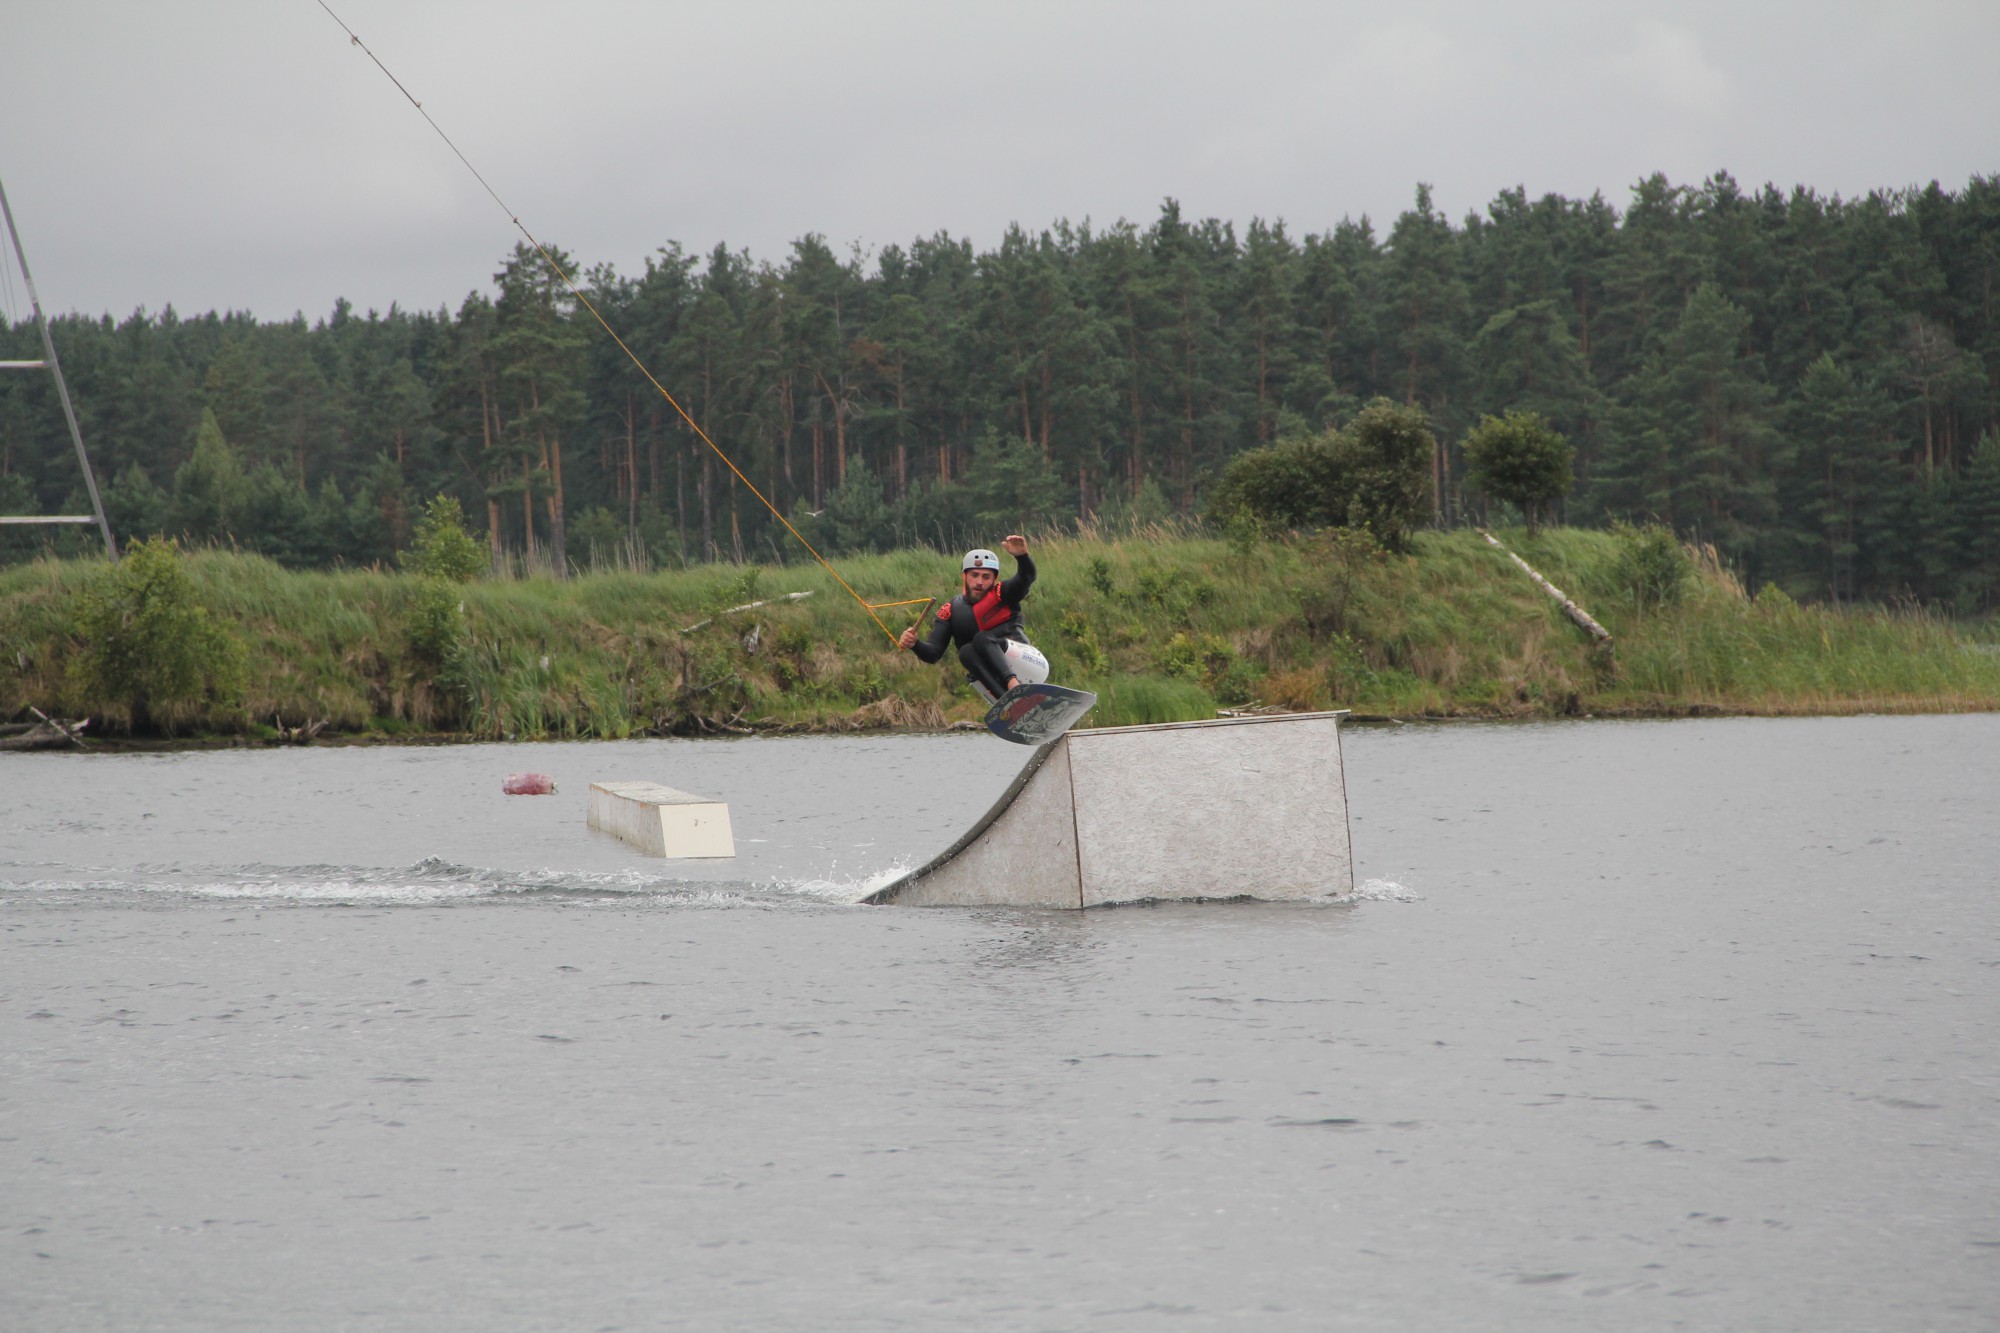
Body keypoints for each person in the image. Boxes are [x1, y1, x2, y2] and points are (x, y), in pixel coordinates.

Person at [898, 534, 1048, 701]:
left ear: (994, 579)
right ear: (964, 576)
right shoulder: (951, 610)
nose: (979, 582)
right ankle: (1008, 703)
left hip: (1028, 665)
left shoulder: (1004, 593)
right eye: (974, 575)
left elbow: (1026, 577)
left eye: (986, 577)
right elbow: (933, 654)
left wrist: (1022, 557)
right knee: (966, 652)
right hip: (995, 681)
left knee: (981, 638)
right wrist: (915, 644)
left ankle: (1014, 686)